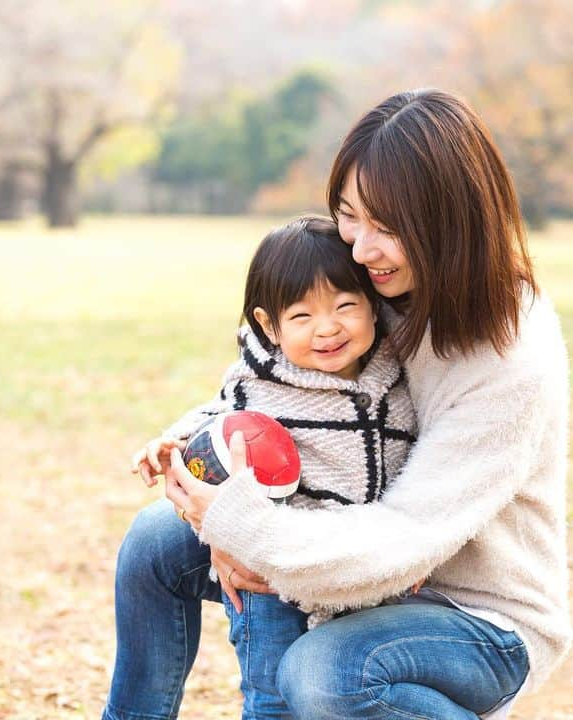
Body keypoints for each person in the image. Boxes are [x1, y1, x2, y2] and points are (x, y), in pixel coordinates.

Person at [103, 88, 572, 720]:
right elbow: (284, 388)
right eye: (350, 215)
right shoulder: (382, 285)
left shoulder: (509, 357)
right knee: (154, 543)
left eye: (389, 228)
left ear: (451, 223)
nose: (358, 247)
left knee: (323, 673)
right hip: (357, 538)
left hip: (475, 614)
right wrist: (209, 478)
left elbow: (407, 539)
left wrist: (248, 529)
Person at [129, 215, 417, 719]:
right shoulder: (261, 380)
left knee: (328, 690)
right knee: (272, 697)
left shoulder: (400, 379)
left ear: (373, 306)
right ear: (269, 325)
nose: (327, 329)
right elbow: (218, 419)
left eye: (345, 306)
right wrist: (172, 443)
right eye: (302, 317)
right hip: (269, 573)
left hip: (359, 567)